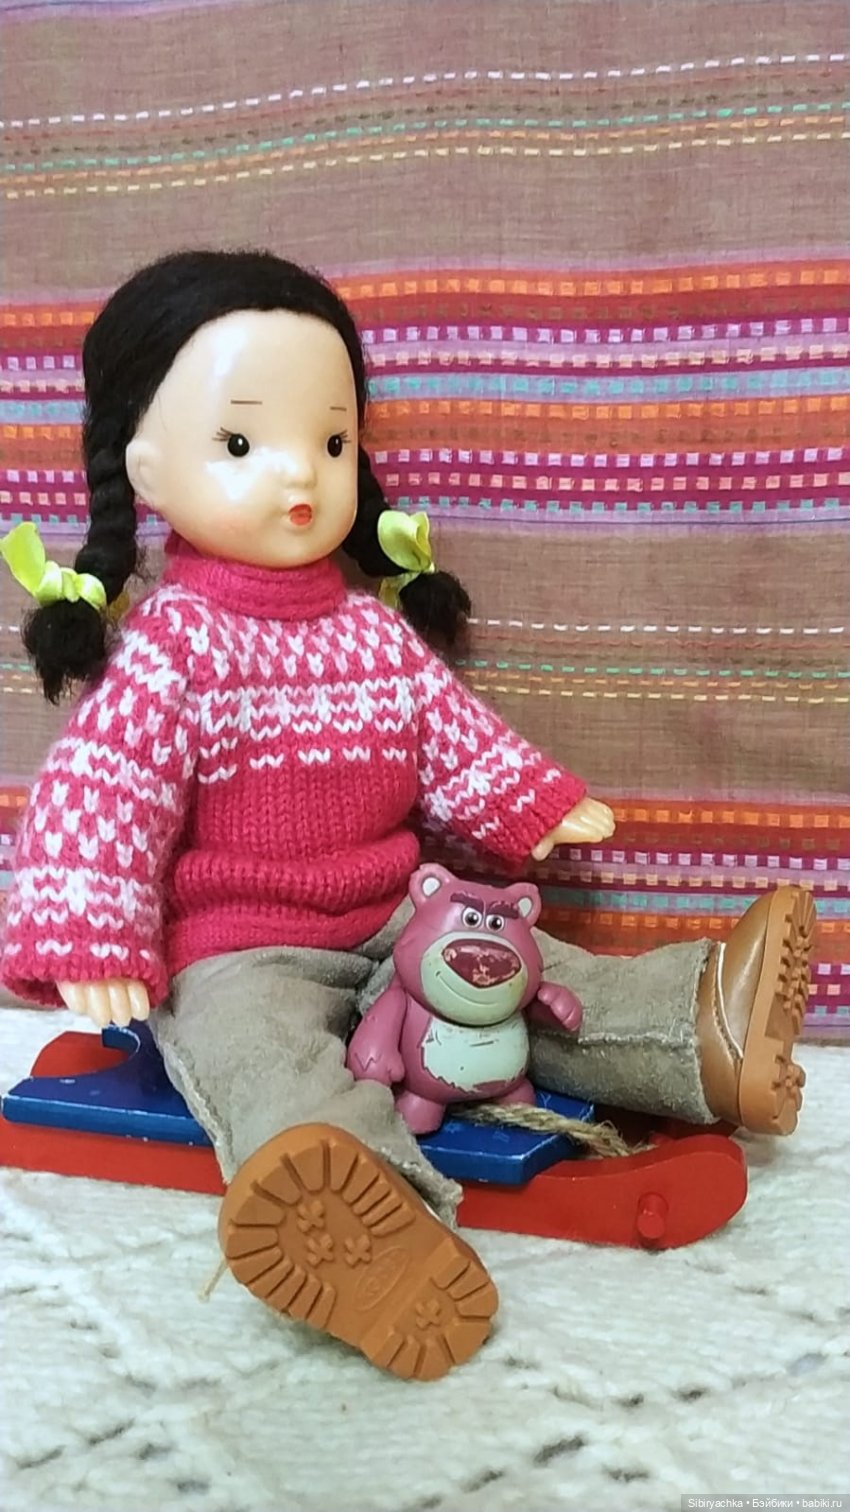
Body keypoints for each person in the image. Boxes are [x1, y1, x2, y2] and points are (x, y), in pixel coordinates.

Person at [0, 250, 814, 1382]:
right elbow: (103, 793)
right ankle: (359, 1219)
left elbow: (450, 739)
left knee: (521, 976)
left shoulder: (371, 635)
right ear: (145, 465)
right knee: (266, 1059)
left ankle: (697, 1029)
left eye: (331, 443)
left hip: (397, 916)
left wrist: (532, 804)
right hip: (237, 950)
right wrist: (95, 941)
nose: (301, 472)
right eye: (241, 444)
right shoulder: (172, 648)